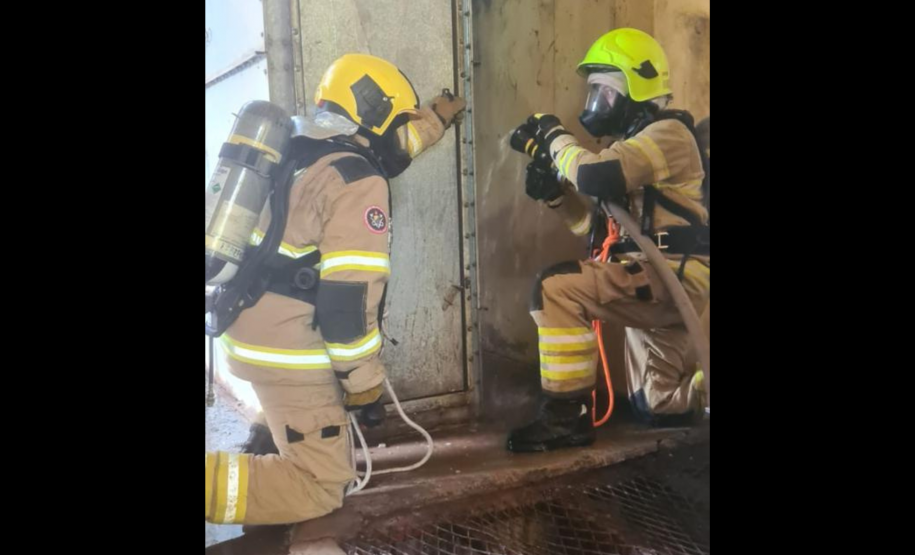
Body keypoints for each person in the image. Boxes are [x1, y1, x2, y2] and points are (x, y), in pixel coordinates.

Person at [206, 53, 466, 525]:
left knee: (297, 422)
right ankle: (274, 475)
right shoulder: (357, 180)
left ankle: (268, 444)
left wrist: (435, 119)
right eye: (398, 120)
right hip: (287, 351)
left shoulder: (301, 147)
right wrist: (364, 386)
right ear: (376, 113)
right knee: (319, 486)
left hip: (247, 325)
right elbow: (347, 304)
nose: (401, 133)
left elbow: (391, 149)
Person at [507, 28, 709, 453]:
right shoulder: (632, 149)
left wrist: (553, 136)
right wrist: (555, 197)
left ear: (638, 89)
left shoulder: (669, 135)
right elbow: (596, 234)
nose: (596, 102)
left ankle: (566, 417)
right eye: (593, 91)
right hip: (651, 275)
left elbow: (592, 174)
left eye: (605, 91)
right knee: (658, 406)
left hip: (673, 277)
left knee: (554, 288)